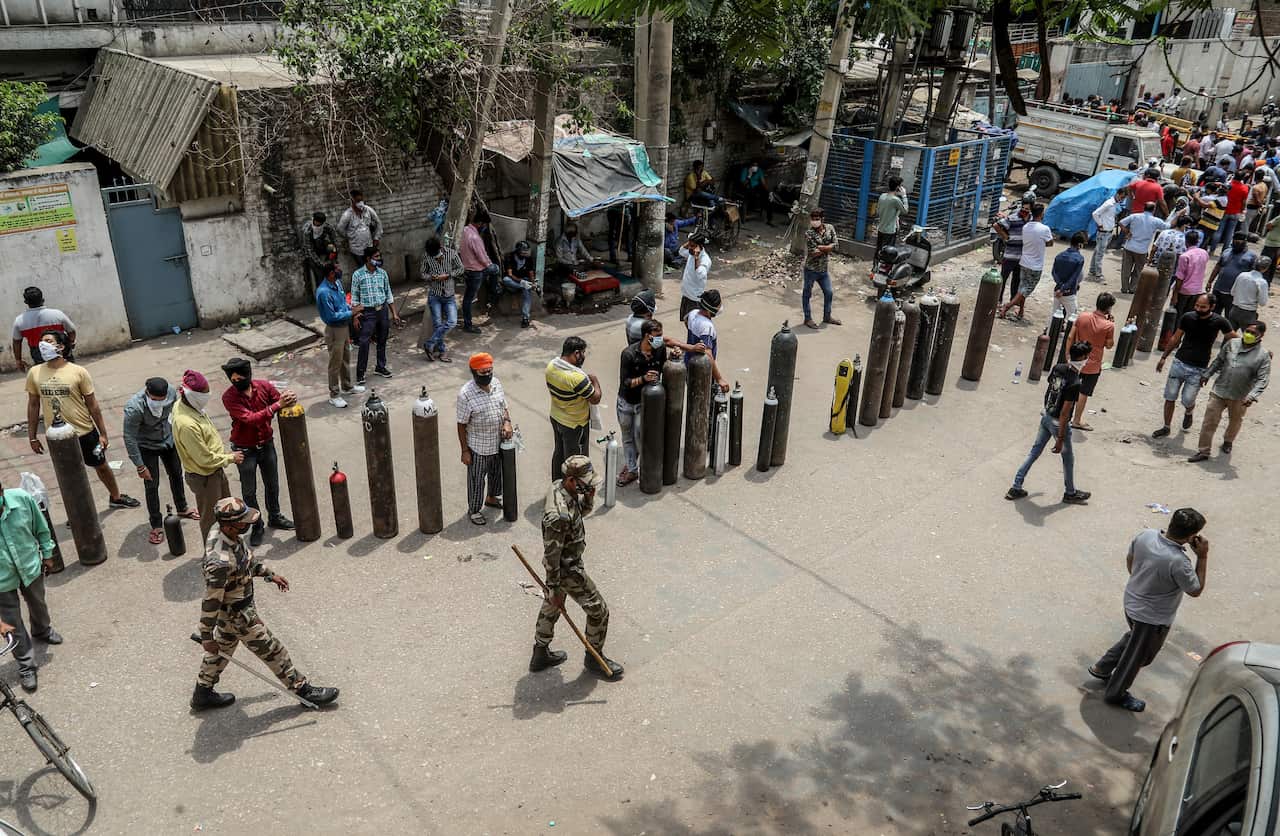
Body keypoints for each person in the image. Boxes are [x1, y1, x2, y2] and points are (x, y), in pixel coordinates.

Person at [192, 497, 338, 711]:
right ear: (228, 524)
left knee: (221, 651)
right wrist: (206, 636)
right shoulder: (219, 562)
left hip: (234, 611)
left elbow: (246, 560)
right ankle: (303, 690)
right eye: (242, 522)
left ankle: (202, 694)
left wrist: (269, 574)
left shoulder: (223, 530)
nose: (248, 525)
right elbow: (211, 601)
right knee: (274, 650)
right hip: (239, 616)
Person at [1088, 508, 1208, 713]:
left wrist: (1144, 583)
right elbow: (1195, 590)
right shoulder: (1179, 562)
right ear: (1190, 537)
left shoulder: (1146, 535)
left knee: (1134, 639)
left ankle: (1103, 667)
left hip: (1132, 601)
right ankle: (1116, 693)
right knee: (1139, 656)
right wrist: (1203, 557)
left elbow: (1130, 560)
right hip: (1152, 618)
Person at [529, 455, 622, 680]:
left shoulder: (560, 488)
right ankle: (594, 657)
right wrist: (552, 587)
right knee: (599, 610)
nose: (589, 487)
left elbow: (579, 513)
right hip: (566, 569)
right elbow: (552, 556)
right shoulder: (558, 517)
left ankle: (540, 652)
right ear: (571, 480)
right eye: (585, 483)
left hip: (563, 565)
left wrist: (588, 498)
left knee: (552, 607)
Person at [25, 331, 139, 509]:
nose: (42, 345)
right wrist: (32, 437)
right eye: (41, 341)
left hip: (85, 432)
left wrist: (103, 433)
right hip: (58, 437)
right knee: (69, 476)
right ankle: (78, 513)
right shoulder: (35, 373)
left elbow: (93, 405)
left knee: (101, 466)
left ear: (60, 347)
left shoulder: (78, 372)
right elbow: (33, 405)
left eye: (47, 341)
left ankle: (116, 497)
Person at [1004, 340, 1092, 505]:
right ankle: (1070, 492)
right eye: (1087, 357)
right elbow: (1066, 412)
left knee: (1034, 452)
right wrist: (1060, 438)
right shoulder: (1075, 383)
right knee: (1068, 459)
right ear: (1083, 358)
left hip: (1046, 415)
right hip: (1058, 423)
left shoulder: (1058, 368)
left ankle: (1016, 486)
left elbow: (1052, 386)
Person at [220, 358, 295, 547]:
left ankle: (275, 516)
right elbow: (251, 419)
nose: (237, 381)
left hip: (266, 444)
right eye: (233, 379)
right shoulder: (229, 397)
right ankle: (257, 524)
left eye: (240, 377)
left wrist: (289, 399)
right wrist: (277, 405)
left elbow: (280, 402)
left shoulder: (264, 387)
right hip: (244, 450)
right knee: (249, 491)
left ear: (248, 374)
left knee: (272, 484)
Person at [0, 478, 60, 693]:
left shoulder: (22, 499)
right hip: (1, 581)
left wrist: (47, 554)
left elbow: (41, 528)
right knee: (11, 622)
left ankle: (42, 630)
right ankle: (26, 665)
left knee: (38, 603)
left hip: (30, 566)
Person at [123, 377, 198, 545]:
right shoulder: (134, 407)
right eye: (155, 400)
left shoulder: (172, 392)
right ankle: (156, 524)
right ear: (147, 393)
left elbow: (179, 413)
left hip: (168, 441)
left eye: (162, 400)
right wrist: (140, 466)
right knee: (151, 485)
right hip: (147, 446)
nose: (159, 403)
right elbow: (129, 438)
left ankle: (182, 508)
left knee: (177, 475)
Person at [173, 369, 242, 542]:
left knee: (227, 512)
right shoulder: (187, 424)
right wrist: (230, 458)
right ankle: (214, 559)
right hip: (205, 477)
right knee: (212, 520)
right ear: (192, 394)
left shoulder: (188, 405)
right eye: (204, 393)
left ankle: (231, 547)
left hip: (215, 471)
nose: (207, 396)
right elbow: (203, 459)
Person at [1152, 294, 1235, 438]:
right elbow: (1175, 338)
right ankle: (1166, 427)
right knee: (1170, 396)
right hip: (1179, 362)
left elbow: (1234, 338)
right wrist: (1163, 357)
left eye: (1203, 307)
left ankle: (1189, 412)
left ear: (1212, 307)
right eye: (1197, 305)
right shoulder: (1188, 317)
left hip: (1198, 368)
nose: (1198, 309)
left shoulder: (1219, 321)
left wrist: (1255, 349)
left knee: (1187, 399)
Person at [1189, 322, 1269, 461]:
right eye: (1247, 331)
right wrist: (1207, 374)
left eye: (1253, 333)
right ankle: (1203, 451)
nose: (1248, 334)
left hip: (1241, 396)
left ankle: (1228, 441)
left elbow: (1262, 379)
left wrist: (1252, 396)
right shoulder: (1232, 343)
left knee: (1235, 421)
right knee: (1209, 421)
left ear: (1261, 335)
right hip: (1219, 390)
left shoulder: (1263, 356)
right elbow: (1219, 360)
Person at [455, 353, 513, 526]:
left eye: (489, 371)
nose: (487, 375)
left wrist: (507, 422)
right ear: (473, 372)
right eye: (482, 373)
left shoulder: (496, 383)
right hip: (478, 447)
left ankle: (492, 498)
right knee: (477, 480)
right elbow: (461, 424)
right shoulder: (465, 394)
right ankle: (474, 510)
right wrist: (465, 451)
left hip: (498, 443)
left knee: (497, 475)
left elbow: (504, 407)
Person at [616, 319, 667, 486]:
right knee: (628, 437)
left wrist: (674, 359)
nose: (660, 338)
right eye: (657, 335)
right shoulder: (629, 354)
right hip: (626, 403)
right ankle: (632, 470)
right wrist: (643, 379)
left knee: (640, 435)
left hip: (644, 403)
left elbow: (663, 369)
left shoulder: (660, 350)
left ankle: (646, 467)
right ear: (647, 335)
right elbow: (626, 382)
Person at [545, 337, 602, 481]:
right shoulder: (576, 378)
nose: (583, 356)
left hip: (556, 418)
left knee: (559, 452)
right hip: (575, 424)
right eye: (583, 353)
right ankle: (572, 492)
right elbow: (595, 398)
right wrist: (594, 380)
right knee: (576, 462)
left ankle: (556, 485)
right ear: (576, 353)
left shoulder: (551, 366)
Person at [350, 246, 401, 383]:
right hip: (367, 313)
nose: (379, 259)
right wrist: (355, 316)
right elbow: (354, 298)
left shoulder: (382, 273)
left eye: (379, 256)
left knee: (382, 339)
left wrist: (394, 314)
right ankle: (360, 373)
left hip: (382, 310)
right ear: (368, 258)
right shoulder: (358, 275)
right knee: (364, 342)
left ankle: (380, 366)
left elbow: (388, 293)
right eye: (376, 257)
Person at [1065, 293, 1116, 430]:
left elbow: (1070, 337)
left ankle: (1061, 413)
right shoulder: (1108, 326)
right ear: (1109, 308)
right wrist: (1111, 324)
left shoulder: (1082, 317)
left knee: (1069, 386)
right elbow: (1109, 345)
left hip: (1076, 359)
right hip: (1093, 365)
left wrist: (1067, 355)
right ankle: (1076, 420)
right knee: (1084, 392)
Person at [315, 264, 363, 407]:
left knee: (346, 358)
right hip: (334, 329)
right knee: (335, 362)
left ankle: (347, 386)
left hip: (344, 327)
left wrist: (352, 310)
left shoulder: (337, 283)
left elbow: (343, 304)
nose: (340, 271)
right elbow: (332, 316)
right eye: (336, 270)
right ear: (330, 273)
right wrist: (352, 312)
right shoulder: (323, 292)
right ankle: (334, 394)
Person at [997, 203, 1053, 321]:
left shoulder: (1026, 227)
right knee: (1025, 290)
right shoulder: (1045, 229)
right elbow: (1050, 243)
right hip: (1035, 265)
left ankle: (1020, 311)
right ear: (1042, 214)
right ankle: (1007, 307)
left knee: (1021, 287)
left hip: (1023, 262)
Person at [11, 286, 75, 372]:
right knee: (69, 372)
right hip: (59, 349)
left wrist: (18, 360)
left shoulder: (19, 321)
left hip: (39, 353)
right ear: (43, 299)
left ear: (26, 302)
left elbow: (16, 342)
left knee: (45, 377)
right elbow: (71, 331)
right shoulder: (57, 314)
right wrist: (70, 343)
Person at [420, 237, 463, 361]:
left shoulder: (452, 254)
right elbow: (423, 273)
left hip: (449, 295)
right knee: (438, 324)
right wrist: (431, 277)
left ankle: (429, 344)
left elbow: (461, 268)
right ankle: (443, 351)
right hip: (435, 295)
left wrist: (448, 275)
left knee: (452, 322)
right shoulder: (427, 256)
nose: (433, 255)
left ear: (440, 247)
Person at [459, 210, 501, 334]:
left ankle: (468, 322)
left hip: (466, 268)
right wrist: (490, 264)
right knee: (495, 269)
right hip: (476, 271)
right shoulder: (475, 238)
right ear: (480, 223)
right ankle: (494, 293)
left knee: (467, 297)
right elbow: (482, 258)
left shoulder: (465, 230)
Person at [1116, 202, 1169, 294]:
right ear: (1154, 209)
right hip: (1142, 250)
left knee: (1126, 269)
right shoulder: (1156, 221)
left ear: (1144, 207)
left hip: (1129, 247)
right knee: (1138, 270)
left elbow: (1121, 222)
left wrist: (1127, 231)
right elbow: (1167, 226)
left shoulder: (1134, 216)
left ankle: (1124, 288)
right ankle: (1132, 288)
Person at [802, 208, 842, 329]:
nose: (814, 221)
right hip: (811, 269)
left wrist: (822, 247)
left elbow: (836, 245)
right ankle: (807, 318)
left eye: (817, 219)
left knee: (829, 293)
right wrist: (828, 247)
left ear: (822, 219)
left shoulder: (830, 228)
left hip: (823, 270)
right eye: (813, 219)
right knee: (807, 294)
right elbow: (813, 253)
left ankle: (827, 316)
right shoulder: (809, 233)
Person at [686, 289, 730, 393]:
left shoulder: (693, 313)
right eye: (719, 306)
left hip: (688, 364)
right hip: (702, 371)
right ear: (710, 309)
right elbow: (708, 354)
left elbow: (686, 321)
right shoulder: (707, 327)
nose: (720, 308)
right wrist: (719, 379)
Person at [1207, 233, 1255, 316]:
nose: (1237, 244)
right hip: (1218, 289)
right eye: (1235, 241)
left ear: (1245, 242)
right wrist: (1209, 282)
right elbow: (1217, 267)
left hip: (1234, 294)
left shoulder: (1251, 256)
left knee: (1229, 317)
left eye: (1239, 242)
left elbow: (1253, 275)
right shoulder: (1226, 251)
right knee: (1213, 315)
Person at [336, 189, 381, 273]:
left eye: (361, 200)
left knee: (373, 266)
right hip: (357, 249)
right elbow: (339, 229)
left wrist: (376, 237)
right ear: (352, 201)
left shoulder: (368, 210)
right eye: (357, 201)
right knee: (363, 269)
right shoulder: (347, 214)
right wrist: (349, 236)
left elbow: (378, 222)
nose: (360, 203)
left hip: (369, 246)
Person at [1169, 230, 1210, 319]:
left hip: (1184, 291)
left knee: (1178, 316)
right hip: (1197, 290)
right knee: (1189, 316)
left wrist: (1175, 295)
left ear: (1186, 241)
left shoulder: (1185, 256)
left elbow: (1179, 277)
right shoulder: (1204, 253)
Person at [298, 211, 339, 296]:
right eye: (317, 224)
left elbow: (335, 240)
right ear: (314, 220)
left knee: (331, 269)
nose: (318, 226)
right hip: (310, 253)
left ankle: (333, 291)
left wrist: (334, 254)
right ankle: (322, 295)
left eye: (320, 224)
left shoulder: (327, 227)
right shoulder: (307, 231)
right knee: (319, 274)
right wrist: (322, 264)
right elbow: (310, 250)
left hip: (322, 247)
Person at [1049, 231, 1086, 322]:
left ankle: (1049, 331)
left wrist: (1060, 286)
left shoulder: (1059, 255)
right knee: (1073, 317)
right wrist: (1063, 289)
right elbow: (1074, 277)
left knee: (1054, 314)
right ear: (1080, 245)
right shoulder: (1079, 259)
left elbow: (1054, 273)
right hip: (1069, 292)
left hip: (1057, 290)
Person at [996, 204, 1029, 302]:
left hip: (1021, 257)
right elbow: (996, 225)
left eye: (1027, 209)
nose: (1024, 210)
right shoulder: (1013, 218)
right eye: (1023, 208)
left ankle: (1012, 301)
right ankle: (998, 299)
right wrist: (1006, 237)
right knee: (1003, 278)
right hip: (1009, 255)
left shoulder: (1031, 220)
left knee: (1016, 280)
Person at [1088, 189, 1124, 280]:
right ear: (1117, 194)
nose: (1122, 199)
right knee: (1100, 253)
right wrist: (1100, 224)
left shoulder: (1115, 204)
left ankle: (1092, 270)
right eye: (1121, 197)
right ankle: (1098, 274)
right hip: (1104, 233)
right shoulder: (1108, 204)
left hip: (1108, 232)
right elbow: (1095, 213)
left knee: (1097, 251)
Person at [1213, 171, 1251, 254]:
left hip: (1224, 210)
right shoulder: (1245, 188)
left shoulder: (1228, 185)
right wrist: (1242, 210)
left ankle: (1212, 250)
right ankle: (1225, 251)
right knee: (1230, 233)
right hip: (1236, 212)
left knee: (1219, 231)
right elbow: (1244, 202)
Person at [502, 241, 537, 328]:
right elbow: (509, 274)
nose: (525, 253)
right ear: (518, 251)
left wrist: (533, 283)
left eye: (526, 251)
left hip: (524, 281)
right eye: (523, 251)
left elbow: (531, 273)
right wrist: (521, 282)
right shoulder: (509, 257)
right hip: (513, 282)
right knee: (505, 280)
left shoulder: (528, 259)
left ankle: (525, 318)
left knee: (527, 290)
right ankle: (525, 286)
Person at [1228, 256, 1269, 329]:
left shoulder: (1242, 275)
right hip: (1248, 313)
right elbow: (1262, 303)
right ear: (1266, 268)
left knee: (1229, 335)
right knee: (1248, 338)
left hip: (1234, 309)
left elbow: (1232, 292)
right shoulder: (1262, 282)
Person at [678, 235, 712, 321]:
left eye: (692, 246)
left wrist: (697, 258)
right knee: (686, 320)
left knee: (693, 323)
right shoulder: (690, 253)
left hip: (694, 297)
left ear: (700, 246)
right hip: (686, 293)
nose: (689, 247)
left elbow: (700, 274)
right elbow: (681, 251)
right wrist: (690, 242)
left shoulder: (705, 260)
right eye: (689, 245)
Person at [875, 176, 909, 255]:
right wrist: (904, 196)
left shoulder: (882, 196)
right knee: (888, 253)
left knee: (879, 250)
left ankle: (876, 266)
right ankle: (885, 267)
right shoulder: (895, 200)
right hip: (890, 231)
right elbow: (905, 210)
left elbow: (878, 211)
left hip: (881, 228)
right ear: (898, 187)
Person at [1246, 168, 1270, 234]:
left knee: (1245, 225)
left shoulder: (1255, 188)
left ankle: (1242, 239)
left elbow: (1257, 200)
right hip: (1257, 208)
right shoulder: (1265, 186)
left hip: (1252, 207)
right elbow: (1264, 197)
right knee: (1248, 224)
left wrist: (1260, 205)